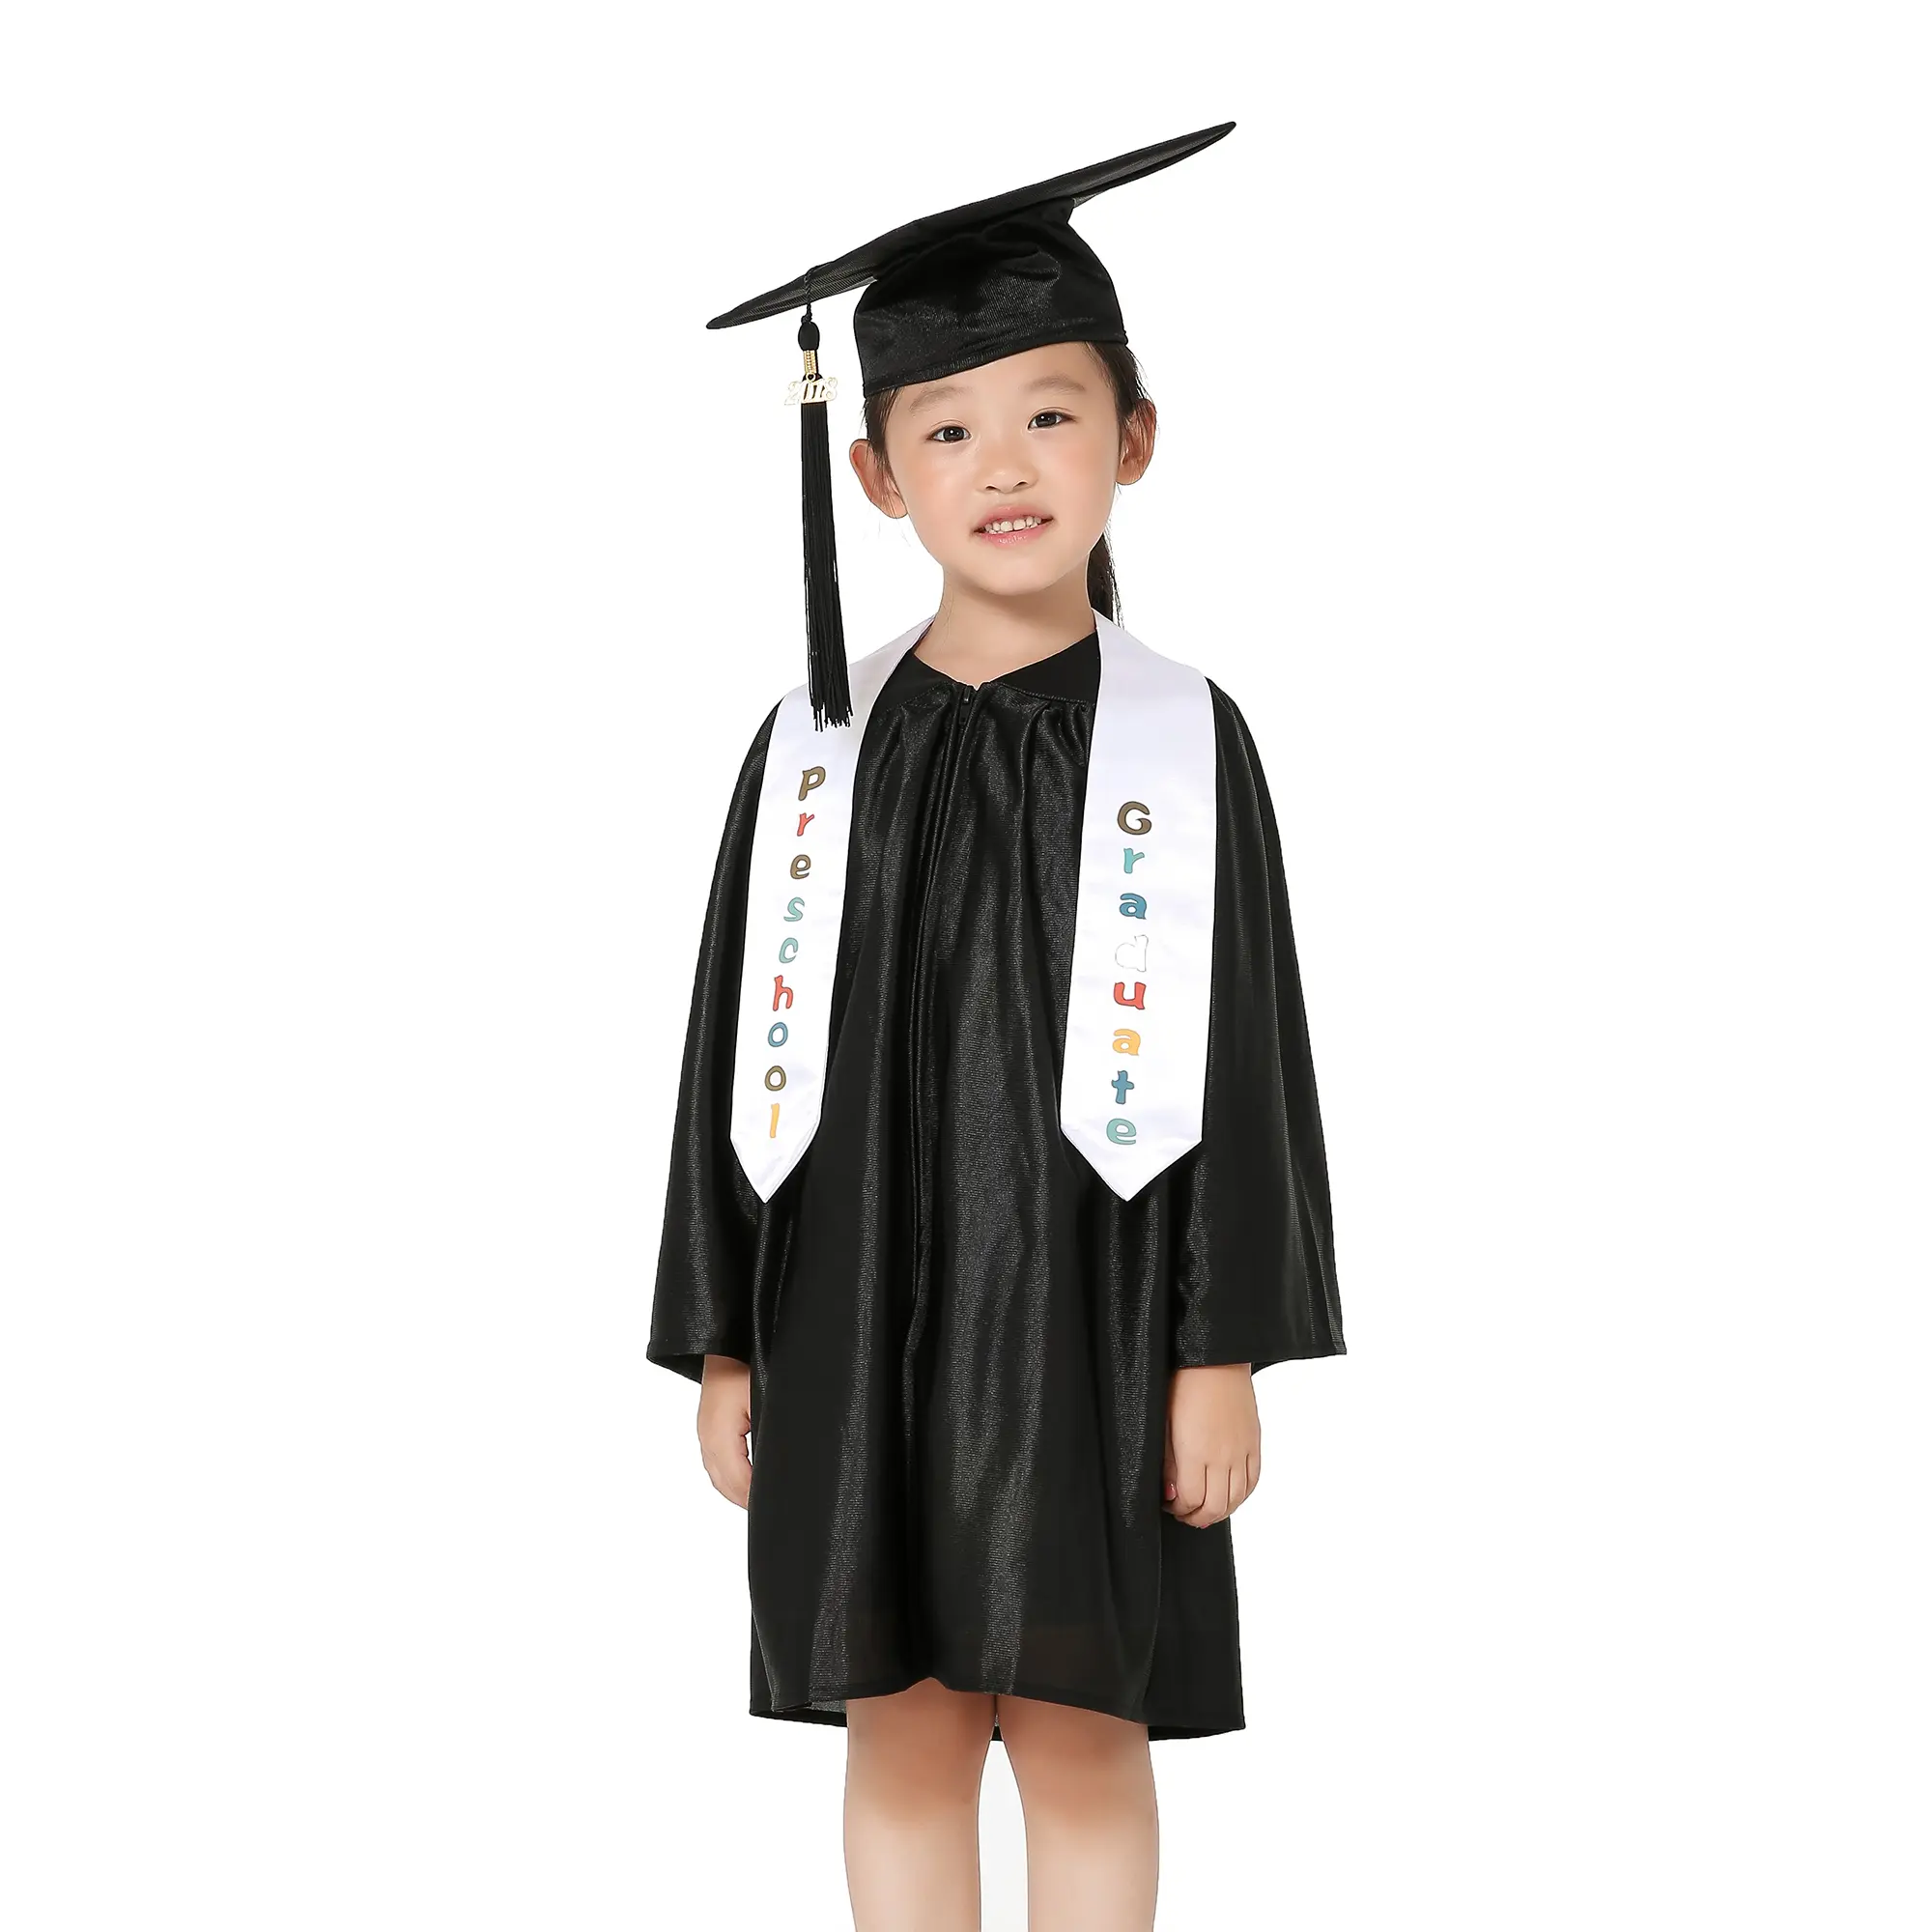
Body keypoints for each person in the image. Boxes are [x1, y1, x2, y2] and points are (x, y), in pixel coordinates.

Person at [648, 120, 1347, 1931]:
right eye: (947, 430)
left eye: (1050, 413)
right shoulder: (818, 747)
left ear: (1135, 440)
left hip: (1097, 1317)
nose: (1006, 465)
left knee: (1083, 1726)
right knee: (899, 1727)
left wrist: (1221, 1351)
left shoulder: (1184, 740)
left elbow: (1250, 1060)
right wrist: (727, 1338)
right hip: (854, 1303)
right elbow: (735, 1050)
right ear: (876, 476)